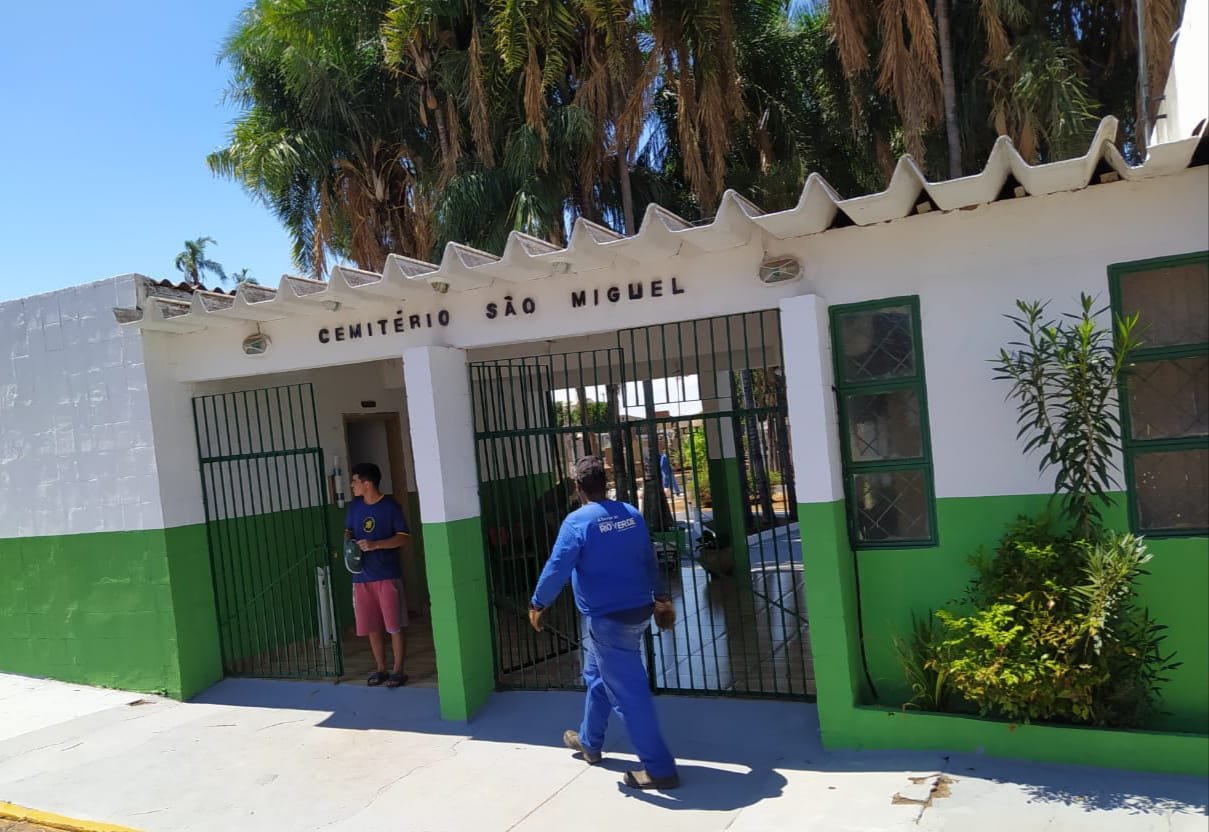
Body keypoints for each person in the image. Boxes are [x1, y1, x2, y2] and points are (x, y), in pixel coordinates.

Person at [529, 456, 680, 790]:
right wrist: (661, 597)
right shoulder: (630, 514)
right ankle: (590, 742)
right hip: (636, 613)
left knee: (629, 695)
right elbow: (648, 558)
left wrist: (538, 602)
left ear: (578, 487)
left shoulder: (577, 522)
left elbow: (557, 566)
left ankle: (659, 769)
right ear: (606, 483)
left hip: (609, 620)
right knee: (597, 677)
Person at [345, 462, 410, 687]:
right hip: (361, 577)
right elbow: (348, 531)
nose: (352, 485)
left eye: (355, 481)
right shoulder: (354, 507)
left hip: (386, 575)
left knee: (394, 625)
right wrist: (350, 545)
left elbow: (403, 538)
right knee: (372, 626)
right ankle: (381, 668)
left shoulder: (390, 507)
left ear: (367, 483)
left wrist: (376, 545)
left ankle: (398, 670)